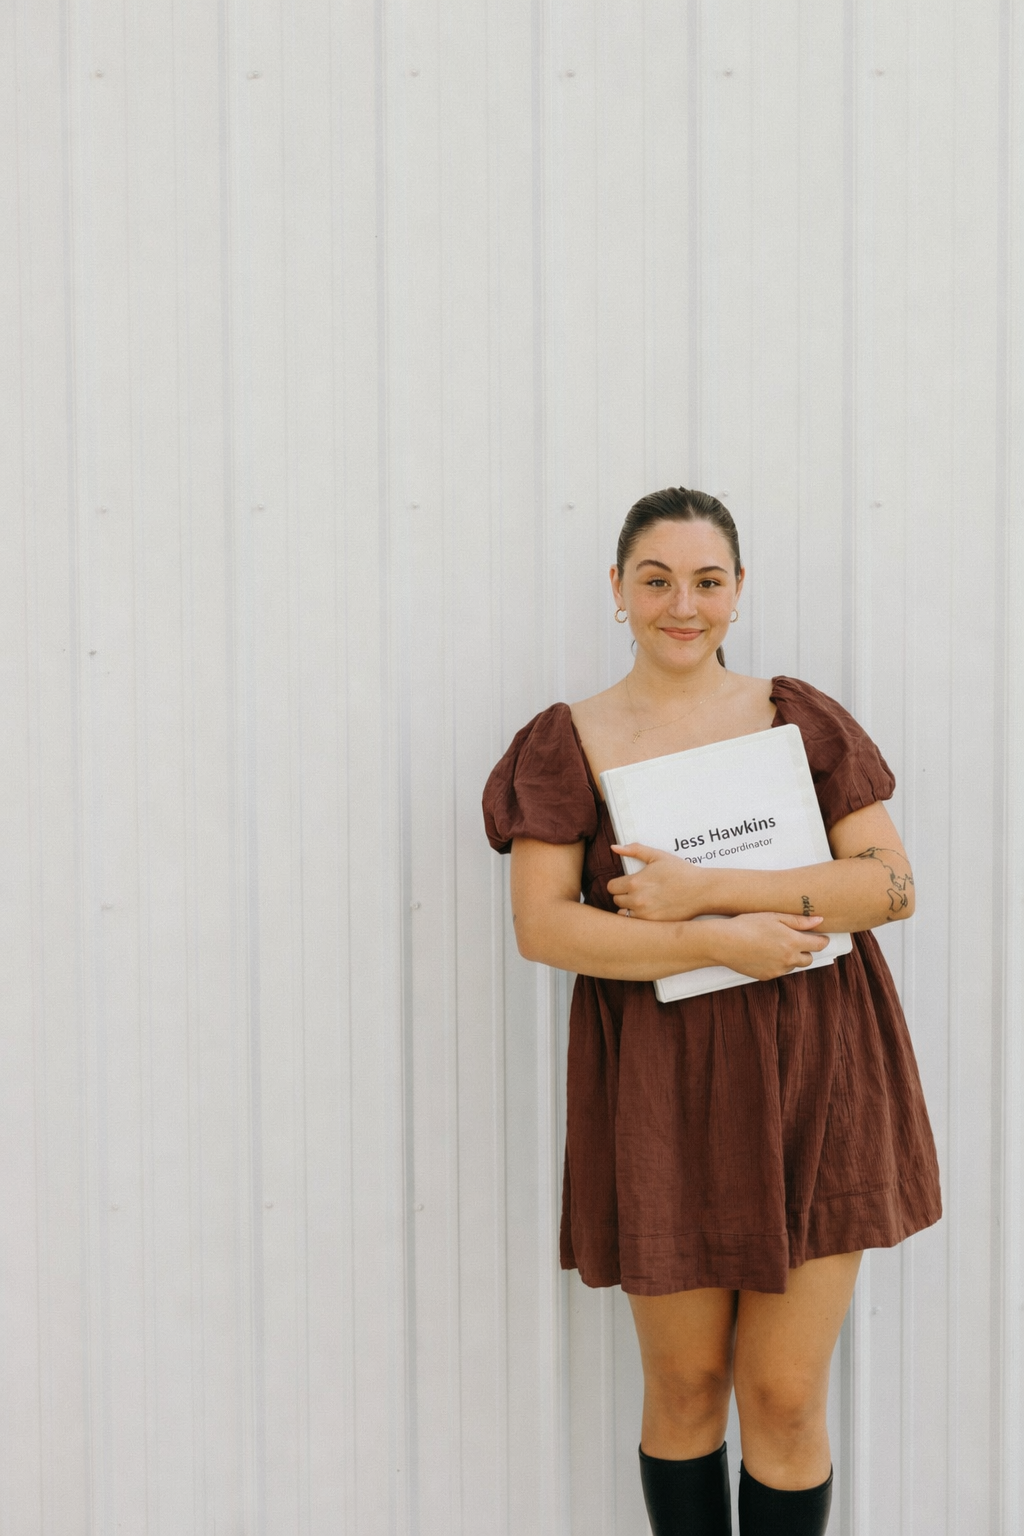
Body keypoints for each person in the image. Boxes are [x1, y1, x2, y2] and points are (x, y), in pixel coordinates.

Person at [482, 488, 941, 1536]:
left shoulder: (793, 717)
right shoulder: (572, 741)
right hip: (661, 1078)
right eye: (655, 580)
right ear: (616, 592)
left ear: (736, 594)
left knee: (782, 1396)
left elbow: (891, 888)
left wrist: (713, 891)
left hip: (816, 1066)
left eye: (706, 581)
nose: (680, 604)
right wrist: (704, 940)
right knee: (687, 1387)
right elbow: (544, 929)